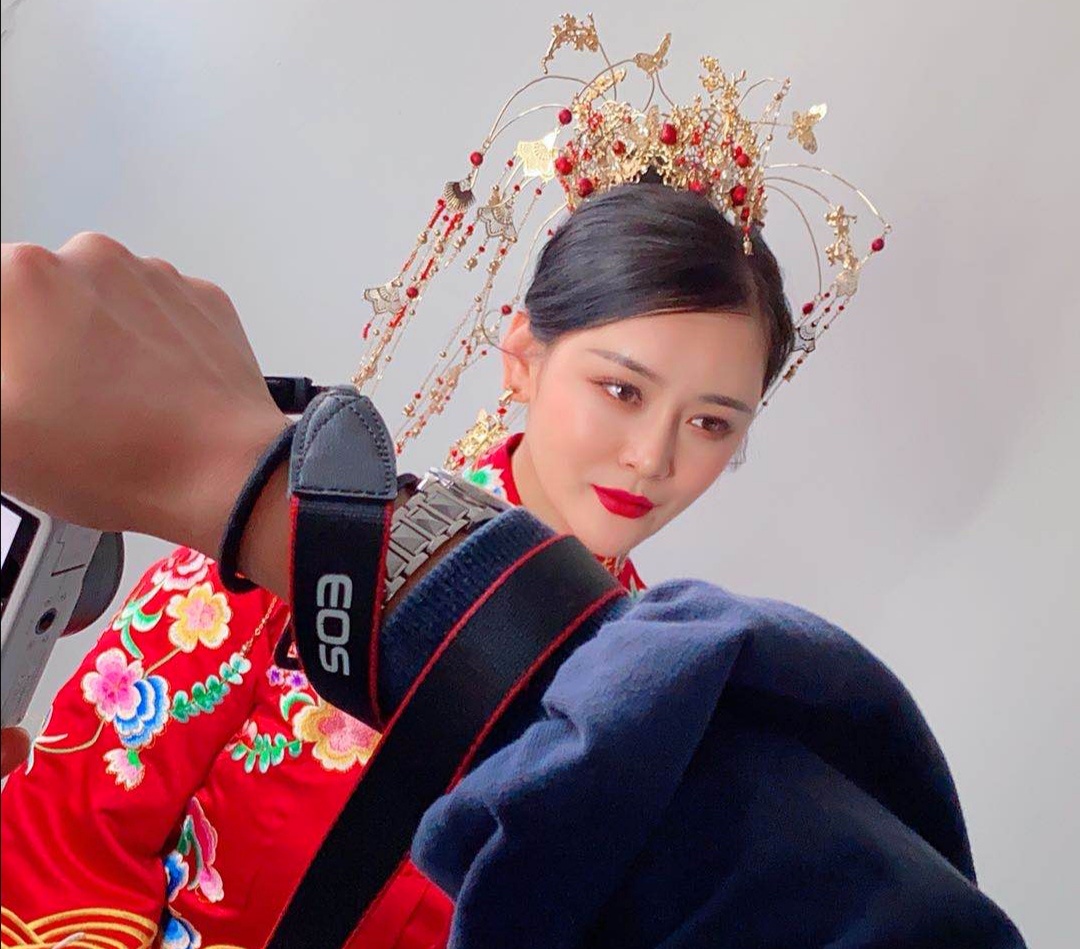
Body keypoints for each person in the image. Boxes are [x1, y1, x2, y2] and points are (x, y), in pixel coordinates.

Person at [0, 23, 1025, 949]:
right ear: (523, 357)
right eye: (621, 389)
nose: (653, 456)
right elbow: (65, 831)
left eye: (712, 422)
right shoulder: (290, 541)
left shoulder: (664, 706)